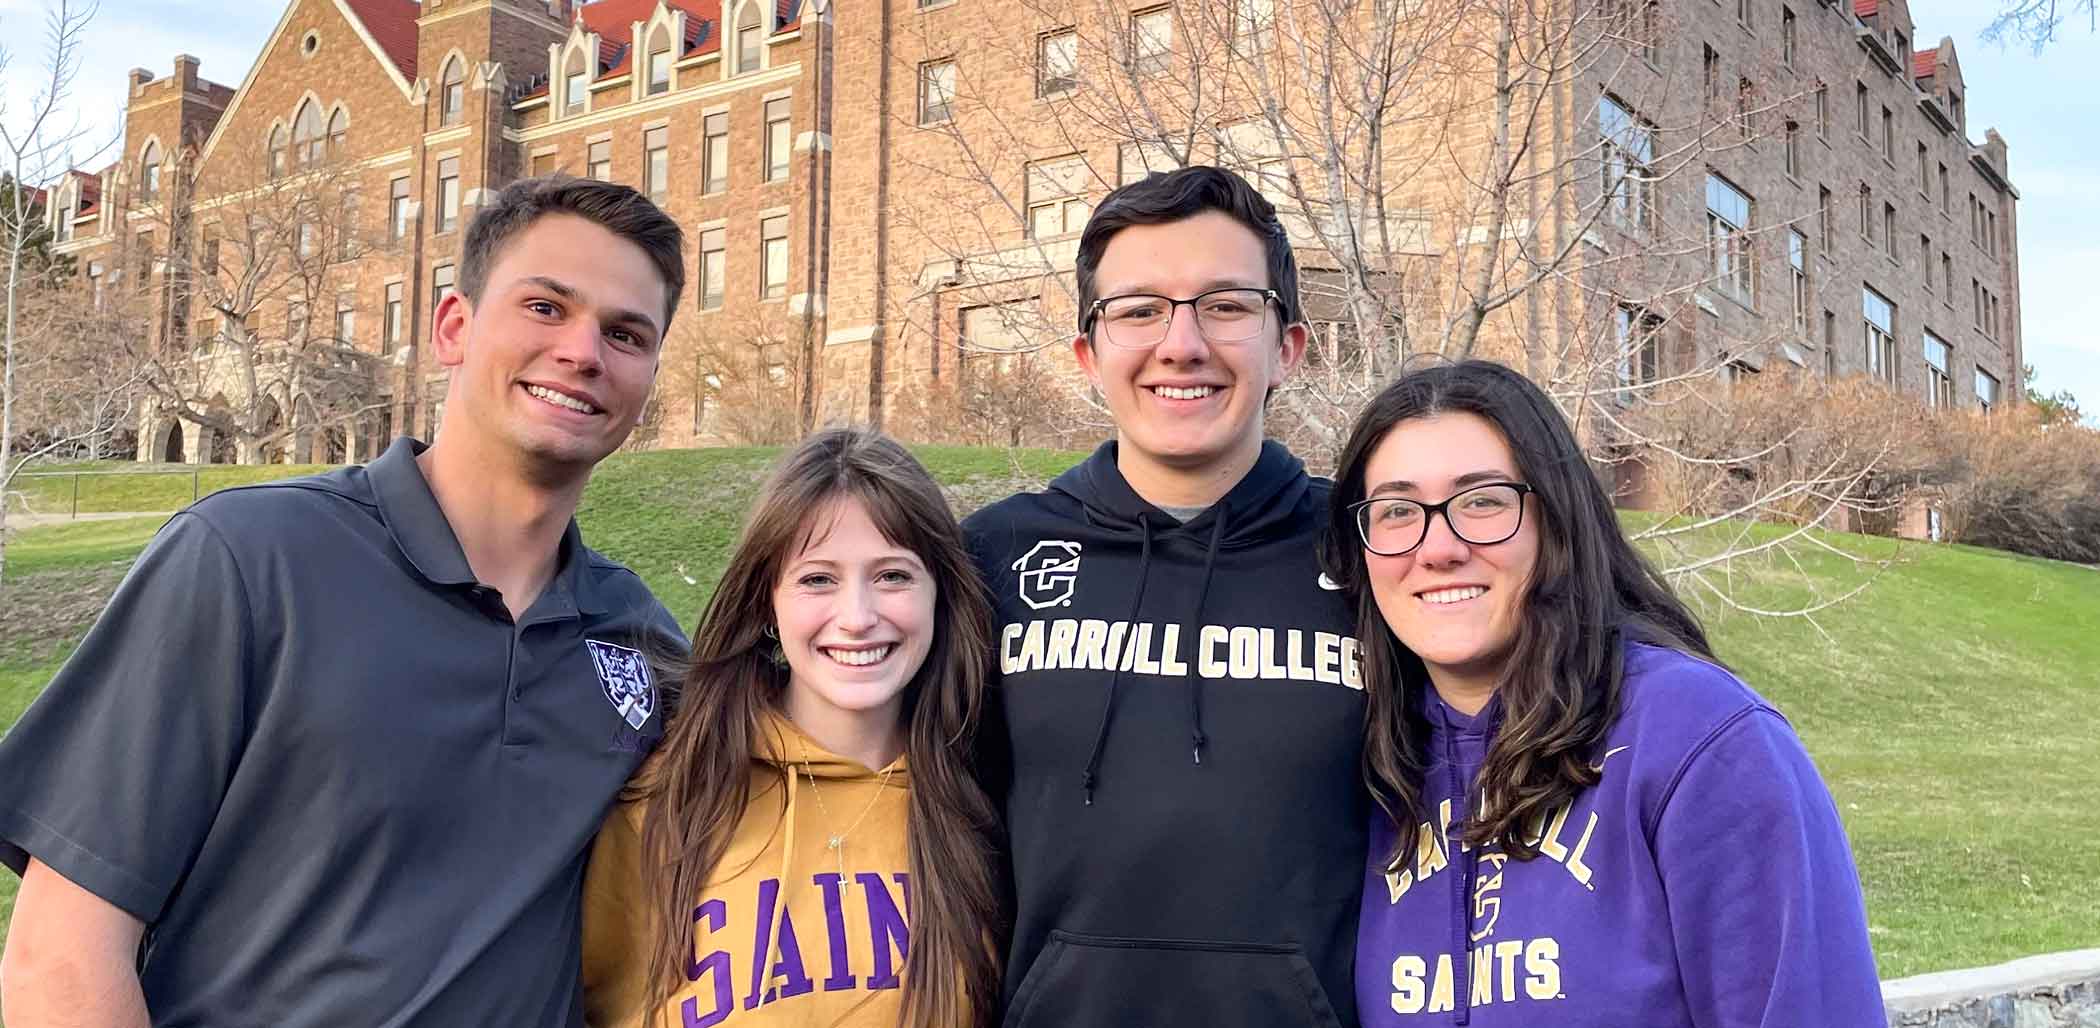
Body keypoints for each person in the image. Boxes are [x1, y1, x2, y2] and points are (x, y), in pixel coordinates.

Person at [0, 175, 688, 1027]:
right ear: (453, 327)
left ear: (649, 374)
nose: (584, 351)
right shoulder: (251, 559)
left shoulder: (642, 642)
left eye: (625, 333)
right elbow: (59, 956)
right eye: (546, 307)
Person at [1319, 360, 1886, 1027]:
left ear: (1556, 519)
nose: (1438, 547)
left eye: (1483, 500)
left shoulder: (1700, 741)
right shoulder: (1368, 768)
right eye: (1396, 511)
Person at [964, 165, 1368, 1027]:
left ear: (1287, 347)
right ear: (1089, 353)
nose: (1181, 344)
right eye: (1139, 309)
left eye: (1224, 305)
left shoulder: (1378, 553)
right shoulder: (990, 558)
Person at [579, 427, 1003, 1028]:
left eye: (893, 576)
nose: (857, 618)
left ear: (941, 595)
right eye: (817, 579)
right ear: (767, 603)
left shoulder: (983, 804)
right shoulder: (672, 798)